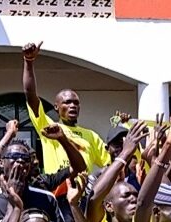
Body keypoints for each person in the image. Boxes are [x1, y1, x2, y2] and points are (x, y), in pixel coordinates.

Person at [22, 42, 110, 175]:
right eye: (67, 102)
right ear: (56, 107)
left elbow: (109, 163)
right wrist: (28, 61)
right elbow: (30, 94)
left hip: (83, 192)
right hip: (57, 192)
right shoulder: (49, 127)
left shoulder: (91, 136)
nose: (72, 106)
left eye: (76, 103)